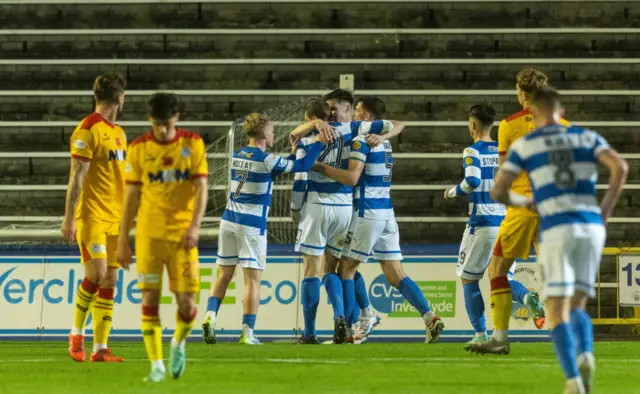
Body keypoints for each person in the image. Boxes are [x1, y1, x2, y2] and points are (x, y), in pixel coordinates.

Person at [487, 87, 627, 394]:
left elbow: (498, 191)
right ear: (560, 112)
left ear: (534, 115)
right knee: (578, 304)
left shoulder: (528, 143)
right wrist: (605, 210)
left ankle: (573, 380)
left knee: (555, 307)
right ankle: (586, 353)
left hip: (556, 226)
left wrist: (524, 203)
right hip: (591, 226)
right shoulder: (586, 136)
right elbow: (621, 167)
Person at [312, 96, 445, 344]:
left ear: (369, 117)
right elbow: (397, 124)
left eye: (359, 112)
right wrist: (384, 136)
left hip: (367, 212)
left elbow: (352, 178)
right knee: (396, 275)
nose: (355, 116)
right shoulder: (384, 144)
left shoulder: (362, 142)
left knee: (345, 271)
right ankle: (430, 317)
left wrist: (320, 167)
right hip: (386, 213)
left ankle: (349, 333)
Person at [201, 112, 324, 345]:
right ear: (264, 133)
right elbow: (302, 166)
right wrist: (318, 144)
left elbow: (275, 168)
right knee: (252, 281)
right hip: (251, 226)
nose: (274, 133)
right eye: (272, 129)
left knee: (224, 275)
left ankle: (210, 316)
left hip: (228, 221)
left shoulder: (238, 155)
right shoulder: (266, 159)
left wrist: (292, 152)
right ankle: (247, 333)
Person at [291, 98, 403, 344]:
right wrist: (384, 136)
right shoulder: (353, 130)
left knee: (314, 269)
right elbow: (395, 123)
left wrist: (294, 208)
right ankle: (344, 320)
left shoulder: (307, 141)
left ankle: (310, 333)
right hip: (344, 208)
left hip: (318, 205)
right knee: (339, 268)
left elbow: (299, 178)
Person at [476, 69, 569, 354]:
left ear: (522, 94)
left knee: (497, 269)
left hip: (523, 207)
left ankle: (499, 338)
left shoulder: (508, 125)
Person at [116, 93, 208, 382]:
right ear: (149, 121)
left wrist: (194, 227)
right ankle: (156, 365)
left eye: (167, 124)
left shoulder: (192, 144)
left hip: (182, 236)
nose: (163, 130)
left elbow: (202, 189)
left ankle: (178, 344)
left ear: (176, 118)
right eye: (157, 125)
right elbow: (131, 198)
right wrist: (122, 241)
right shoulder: (139, 148)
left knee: (187, 304)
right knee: (150, 298)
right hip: (149, 235)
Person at [443, 104, 545, 349]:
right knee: (501, 277)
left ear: (473, 125)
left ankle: (480, 333)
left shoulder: (472, 150)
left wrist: (451, 192)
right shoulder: (503, 149)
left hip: (482, 224)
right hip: (506, 220)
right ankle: (527, 296)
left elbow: (472, 180)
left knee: (469, 278)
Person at [62, 72, 127, 363]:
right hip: (91, 215)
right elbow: (76, 176)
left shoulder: (120, 133)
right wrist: (69, 218)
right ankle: (76, 333)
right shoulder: (87, 129)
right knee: (96, 274)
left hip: (116, 217)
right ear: (119, 99)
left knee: (110, 282)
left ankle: (101, 348)